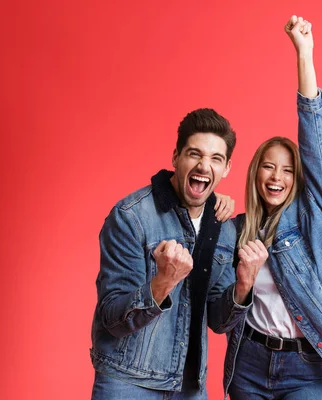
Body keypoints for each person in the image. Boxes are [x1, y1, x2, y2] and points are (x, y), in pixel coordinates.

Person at [223, 16, 322, 400]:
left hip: (306, 369)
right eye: (268, 166)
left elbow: (316, 142)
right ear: (255, 173)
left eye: (287, 169)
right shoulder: (235, 231)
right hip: (247, 362)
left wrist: (304, 53)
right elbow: (219, 311)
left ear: (298, 179)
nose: (276, 176)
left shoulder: (313, 218)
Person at [90, 108, 268, 399]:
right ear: (176, 157)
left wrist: (244, 285)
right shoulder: (131, 218)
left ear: (226, 169)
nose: (203, 165)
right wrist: (162, 282)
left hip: (189, 386)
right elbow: (113, 318)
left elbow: (218, 321)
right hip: (129, 381)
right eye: (194, 154)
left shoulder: (223, 227)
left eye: (215, 159)